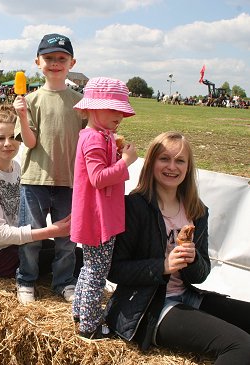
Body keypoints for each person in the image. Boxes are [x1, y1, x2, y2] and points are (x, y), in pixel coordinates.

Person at [105, 132, 250, 363]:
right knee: (241, 347)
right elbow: (114, 270)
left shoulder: (197, 211)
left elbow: (201, 275)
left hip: (187, 295)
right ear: (151, 162)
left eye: (180, 160)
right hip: (148, 305)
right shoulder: (134, 207)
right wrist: (162, 266)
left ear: (188, 167)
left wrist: (193, 260)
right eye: (164, 159)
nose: (172, 167)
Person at [13, 33, 85, 304]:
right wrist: (21, 114)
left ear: (71, 62)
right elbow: (30, 142)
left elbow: (86, 139)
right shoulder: (30, 100)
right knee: (31, 235)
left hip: (69, 181)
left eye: (61, 58)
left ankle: (64, 281)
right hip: (35, 179)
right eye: (49, 58)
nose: (55, 63)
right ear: (37, 62)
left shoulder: (81, 102)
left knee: (67, 238)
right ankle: (26, 280)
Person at [0, 105, 71, 278]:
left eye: (13, 136)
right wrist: (52, 231)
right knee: (74, 259)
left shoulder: (16, 167)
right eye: (0, 138)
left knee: (67, 250)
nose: (8, 143)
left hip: (18, 244)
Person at [70, 77, 138, 340]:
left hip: (94, 214)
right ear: (92, 109)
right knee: (97, 272)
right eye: (113, 109)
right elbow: (98, 178)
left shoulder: (100, 136)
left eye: (121, 110)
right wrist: (127, 162)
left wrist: (118, 156)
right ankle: (89, 326)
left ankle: (79, 312)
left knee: (88, 268)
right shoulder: (96, 140)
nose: (119, 115)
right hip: (98, 218)